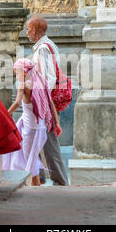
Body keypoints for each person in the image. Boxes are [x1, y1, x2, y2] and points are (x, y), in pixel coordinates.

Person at [2, 58, 62, 186]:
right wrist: (57, 123)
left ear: (24, 71)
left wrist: (4, 115)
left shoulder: (23, 85)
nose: (16, 76)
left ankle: (35, 186)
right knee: (29, 157)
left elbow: (17, 102)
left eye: (17, 72)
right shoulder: (40, 81)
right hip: (39, 129)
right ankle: (34, 185)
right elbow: (51, 104)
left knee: (30, 159)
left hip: (30, 131)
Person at [26, 16, 69, 186]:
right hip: (43, 100)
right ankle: (40, 177)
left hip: (43, 101)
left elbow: (48, 77)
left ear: (35, 31)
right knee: (36, 137)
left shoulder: (44, 48)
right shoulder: (47, 46)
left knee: (48, 141)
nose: (27, 32)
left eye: (28, 29)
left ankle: (59, 180)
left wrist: (41, 101)